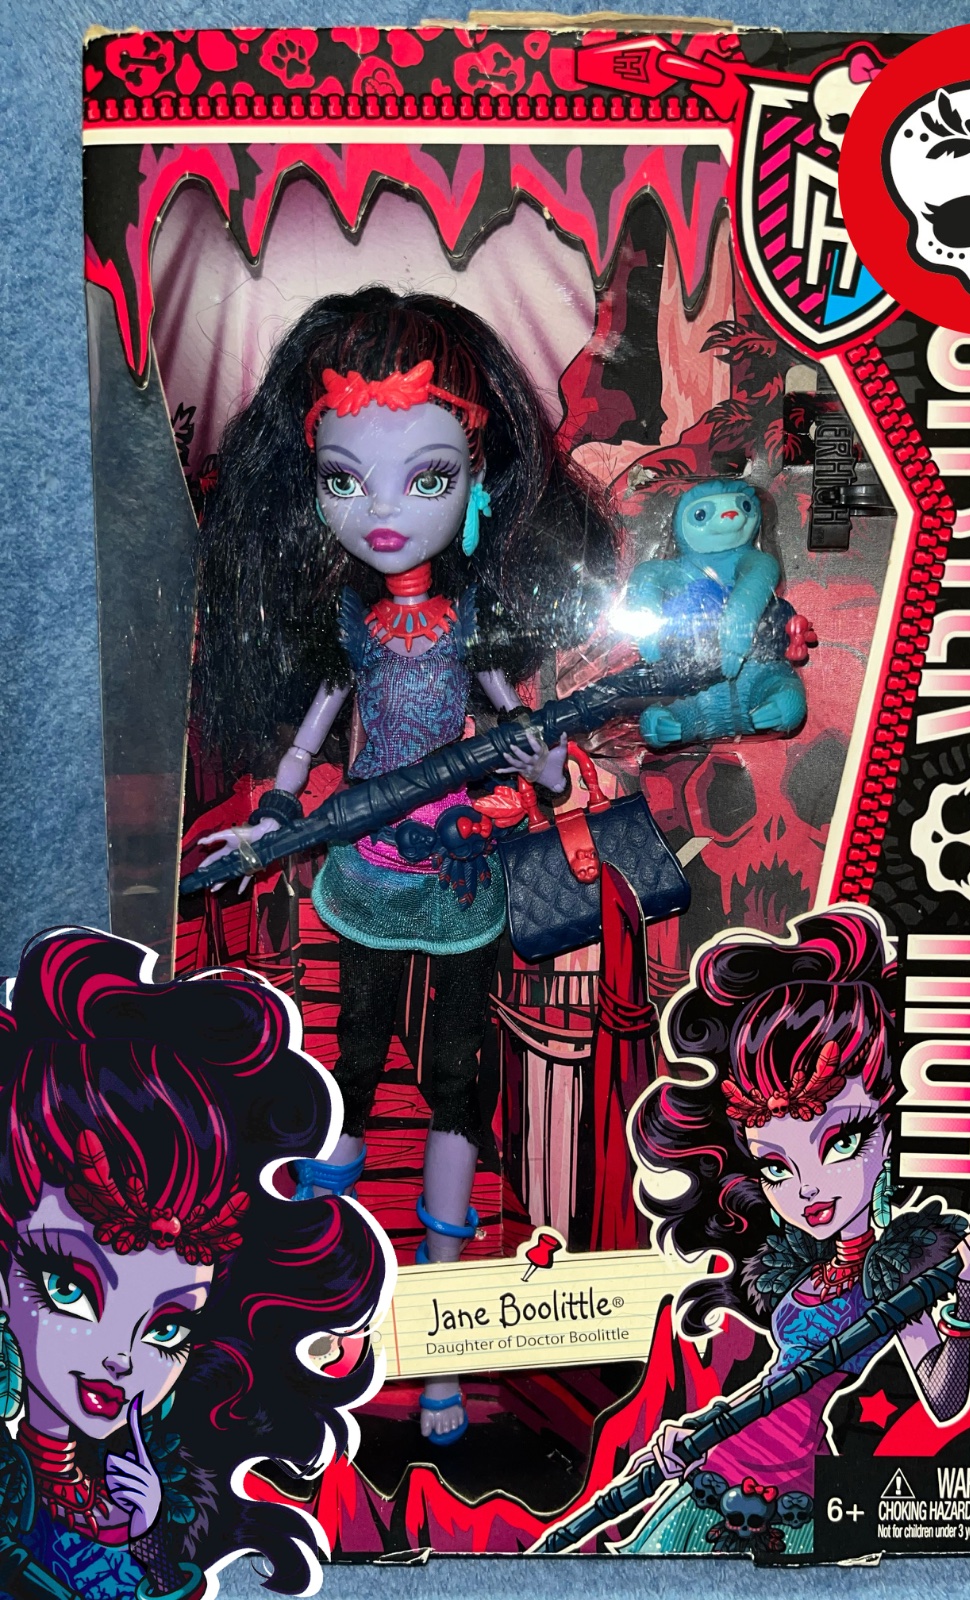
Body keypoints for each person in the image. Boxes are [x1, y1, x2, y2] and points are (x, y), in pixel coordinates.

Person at [190, 286, 619, 1444]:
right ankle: (320, 1233)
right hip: (370, 861)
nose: (382, 512)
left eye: (425, 478)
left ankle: (439, 1338)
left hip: (462, 870)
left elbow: (518, 725)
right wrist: (274, 813)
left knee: (457, 1076)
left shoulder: (473, 621)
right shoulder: (352, 626)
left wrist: (540, 763)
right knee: (359, 1042)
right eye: (346, 479)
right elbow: (310, 737)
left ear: (479, 484)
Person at [0, 926, 389, 1597]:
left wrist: (149, 1526)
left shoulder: (151, 1475)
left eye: (167, 1328)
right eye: (69, 1289)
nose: (120, 1359)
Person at [621, 906, 970, 1555]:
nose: (806, 1188)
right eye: (776, 1165)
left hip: (790, 1488)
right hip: (719, 1460)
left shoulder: (892, 1273)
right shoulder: (798, 1262)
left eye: (840, 1141)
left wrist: (968, 1293)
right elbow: (776, 1383)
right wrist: (697, 1436)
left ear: (889, 1128)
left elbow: (944, 1400)